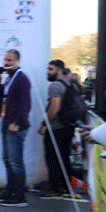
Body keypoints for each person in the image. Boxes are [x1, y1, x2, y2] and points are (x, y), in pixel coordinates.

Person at [0, 50, 31, 207]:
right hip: (6, 122)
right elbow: (3, 98)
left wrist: (18, 122)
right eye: (5, 59)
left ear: (18, 61)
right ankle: (10, 190)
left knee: (16, 162)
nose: (6, 62)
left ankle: (19, 195)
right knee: (7, 159)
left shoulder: (22, 78)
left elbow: (25, 103)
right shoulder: (9, 78)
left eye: (10, 60)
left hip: (16, 125)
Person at [37, 59, 75, 199]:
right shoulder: (71, 83)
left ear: (59, 70)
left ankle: (55, 188)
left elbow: (55, 107)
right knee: (64, 157)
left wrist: (44, 123)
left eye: (50, 69)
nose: (48, 72)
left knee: (52, 158)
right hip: (69, 126)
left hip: (56, 128)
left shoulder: (55, 86)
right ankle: (65, 187)